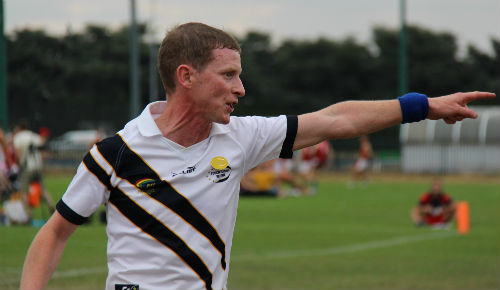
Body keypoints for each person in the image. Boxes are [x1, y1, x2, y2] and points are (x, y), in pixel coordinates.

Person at [20, 22, 495, 290]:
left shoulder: (243, 138)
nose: (241, 89)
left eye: (240, 75)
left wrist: (421, 106)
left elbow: (336, 120)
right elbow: (55, 232)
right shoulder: (114, 153)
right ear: (186, 76)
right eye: (227, 76)